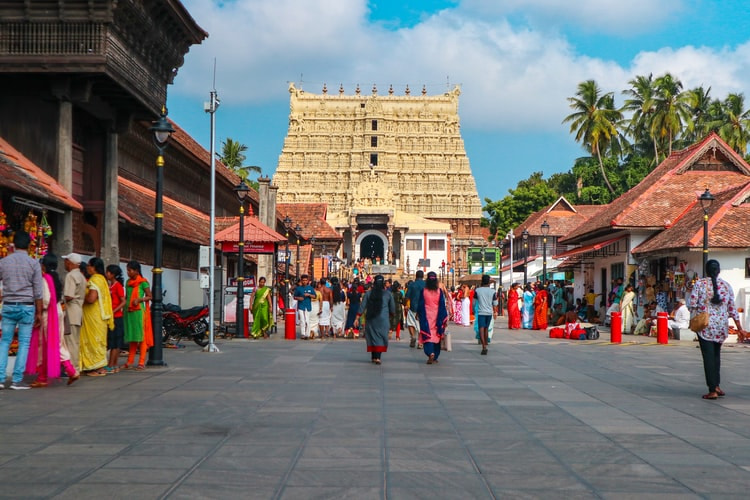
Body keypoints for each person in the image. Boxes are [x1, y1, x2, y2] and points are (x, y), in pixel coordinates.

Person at [689, 260, 746, 400]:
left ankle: (712, 389)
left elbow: (692, 304)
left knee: (708, 357)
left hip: (706, 325)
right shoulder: (726, 286)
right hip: (721, 326)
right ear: (718, 271)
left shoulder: (700, 284)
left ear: (706, 270)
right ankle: (717, 385)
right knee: (716, 356)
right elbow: (732, 309)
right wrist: (739, 328)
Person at [27, 253, 80, 387]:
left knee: (49, 344)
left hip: (48, 314)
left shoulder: (45, 279)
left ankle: (70, 370)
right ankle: (44, 376)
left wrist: (38, 310)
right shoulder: (55, 278)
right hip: (57, 311)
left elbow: (45, 300)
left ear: (43, 265)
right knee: (55, 343)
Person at [0, 231, 43, 390]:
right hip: (27, 305)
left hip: (9, 304)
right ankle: (17, 380)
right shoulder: (33, 264)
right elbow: (38, 291)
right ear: (29, 245)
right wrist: (39, 312)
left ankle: (0, 378)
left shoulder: (4, 262)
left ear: (14, 243)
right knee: (24, 343)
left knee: (4, 341)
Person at [80, 257, 114, 376]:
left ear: (94, 267)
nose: (87, 268)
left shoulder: (95, 279)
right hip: (100, 316)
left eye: (89, 266)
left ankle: (95, 368)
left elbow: (91, 299)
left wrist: (80, 297)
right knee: (99, 342)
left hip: (93, 316)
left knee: (93, 341)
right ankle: (97, 367)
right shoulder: (102, 279)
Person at [357, 275, 395, 364]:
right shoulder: (388, 294)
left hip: (371, 318)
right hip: (383, 319)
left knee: (372, 336)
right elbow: (392, 308)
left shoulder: (368, 293)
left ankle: (374, 356)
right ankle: (378, 357)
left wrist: (357, 316)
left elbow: (363, 306)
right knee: (381, 337)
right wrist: (391, 315)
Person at [122, 261, 153, 370]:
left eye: (129, 270)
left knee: (141, 337)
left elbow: (150, 296)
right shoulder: (128, 282)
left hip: (139, 312)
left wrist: (140, 299)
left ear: (136, 271)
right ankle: (129, 361)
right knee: (132, 337)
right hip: (129, 312)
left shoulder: (143, 282)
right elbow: (126, 297)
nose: (128, 272)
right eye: (127, 270)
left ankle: (141, 362)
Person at [418, 271, 449, 364]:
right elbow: (442, 305)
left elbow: (420, 304)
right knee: (437, 335)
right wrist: (444, 317)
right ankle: (435, 355)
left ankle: (430, 352)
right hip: (437, 316)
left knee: (427, 334)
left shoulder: (424, 291)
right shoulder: (439, 291)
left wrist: (418, 314)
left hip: (426, 316)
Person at [62, 252, 86, 372]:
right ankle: (75, 368)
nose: (64, 264)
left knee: (70, 343)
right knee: (74, 342)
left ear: (70, 262)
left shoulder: (71, 276)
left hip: (71, 312)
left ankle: (72, 369)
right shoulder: (81, 276)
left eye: (65, 261)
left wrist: (60, 300)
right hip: (78, 312)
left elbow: (69, 296)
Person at [105, 264, 125, 373]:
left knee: (115, 342)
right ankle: (114, 364)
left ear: (113, 274)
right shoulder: (110, 286)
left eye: (108, 272)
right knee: (114, 341)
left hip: (116, 317)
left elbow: (123, 301)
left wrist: (113, 311)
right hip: (112, 316)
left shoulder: (118, 286)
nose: (106, 274)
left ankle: (111, 364)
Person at [473, 274, 497, 355]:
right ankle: (485, 343)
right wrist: (495, 312)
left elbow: (474, 302)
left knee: (481, 328)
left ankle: (483, 346)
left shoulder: (477, 291)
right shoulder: (493, 291)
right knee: (486, 328)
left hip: (481, 312)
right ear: (489, 282)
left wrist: (473, 310)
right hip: (489, 312)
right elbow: (495, 303)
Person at [405, 270, 426, 348]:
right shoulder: (426, 285)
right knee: (421, 324)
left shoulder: (412, 285)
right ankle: (420, 342)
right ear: (423, 276)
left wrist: (406, 305)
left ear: (416, 276)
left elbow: (407, 296)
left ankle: (413, 336)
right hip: (423, 308)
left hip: (413, 306)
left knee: (410, 323)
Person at [294, 275, 315, 339]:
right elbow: (294, 296)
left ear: (308, 281)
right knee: (302, 320)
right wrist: (298, 298)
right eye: (303, 280)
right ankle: (303, 334)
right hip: (301, 306)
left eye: (306, 280)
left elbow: (314, 296)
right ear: (301, 281)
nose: (304, 282)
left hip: (308, 306)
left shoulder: (310, 288)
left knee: (307, 320)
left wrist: (309, 295)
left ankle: (307, 334)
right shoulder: (298, 288)